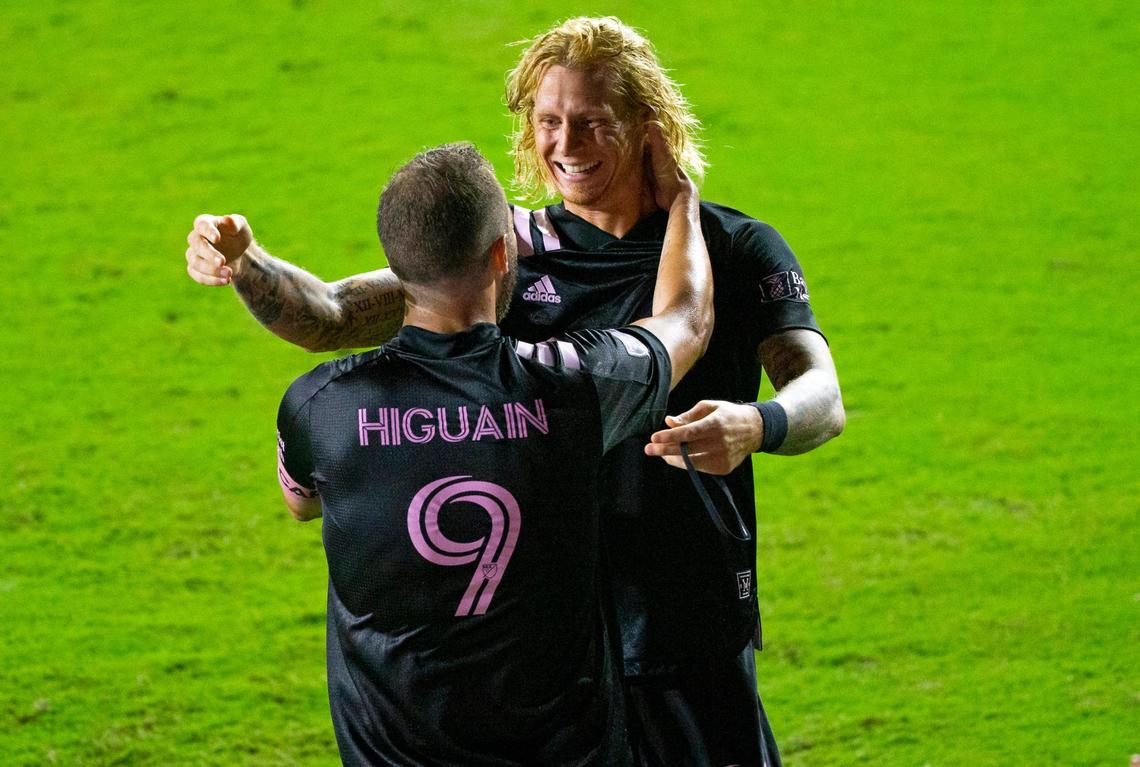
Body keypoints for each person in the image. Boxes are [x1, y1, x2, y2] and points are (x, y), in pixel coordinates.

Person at [187, 17, 844, 766]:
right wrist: (245, 261)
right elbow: (332, 313)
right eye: (548, 121)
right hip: (547, 640)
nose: (566, 145)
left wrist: (758, 423)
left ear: (647, 124)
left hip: (682, 618)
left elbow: (821, 393)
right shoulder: (504, 254)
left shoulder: (735, 246)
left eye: (592, 123)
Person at [274, 138, 712, 765]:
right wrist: (684, 205)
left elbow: (301, 504)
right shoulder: (575, 385)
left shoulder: (321, 404)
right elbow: (687, 322)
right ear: (502, 256)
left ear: (394, 267)